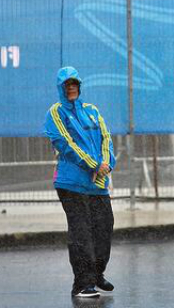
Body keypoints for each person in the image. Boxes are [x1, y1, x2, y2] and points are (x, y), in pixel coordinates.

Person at [43, 66, 116, 299]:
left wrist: (106, 164)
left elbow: (106, 138)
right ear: (61, 88)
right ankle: (82, 284)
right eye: (67, 84)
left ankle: (96, 274)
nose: (71, 87)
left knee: (104, 228)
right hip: (71, 183)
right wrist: (94, 165)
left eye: (74, 83)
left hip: (98, 183)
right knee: (81, 232)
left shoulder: (92, 110)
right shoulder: (55, 113)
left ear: (80, 86)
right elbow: (65, 143)